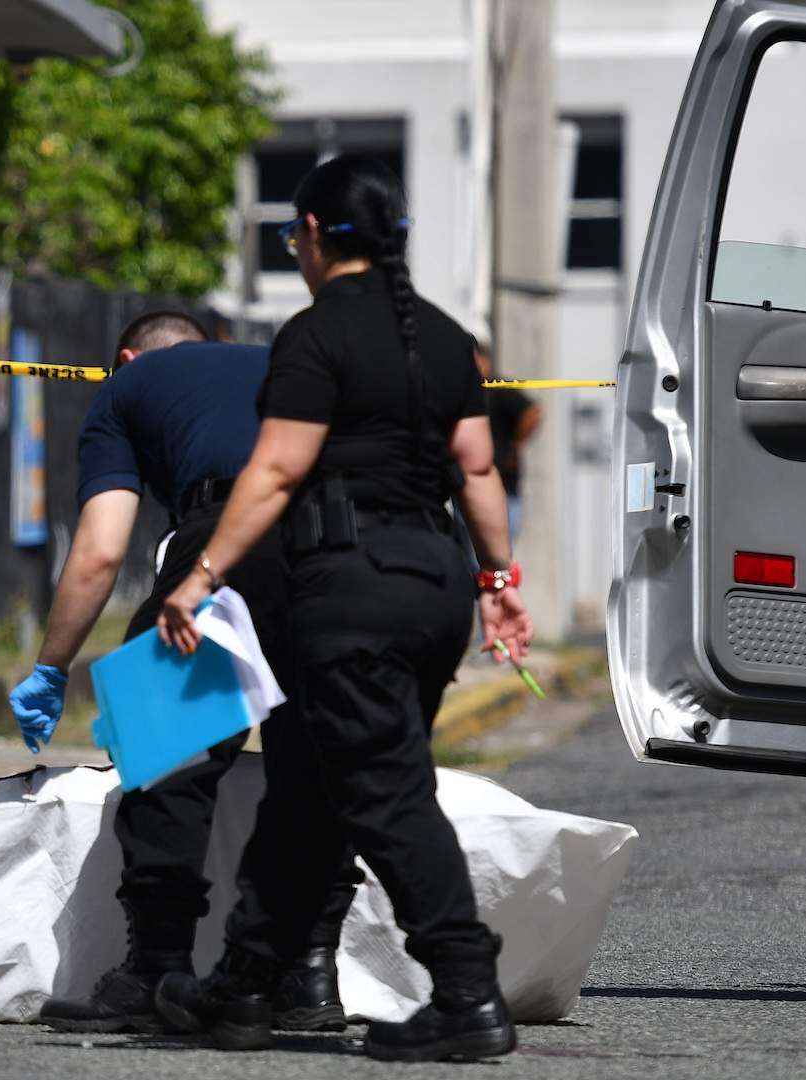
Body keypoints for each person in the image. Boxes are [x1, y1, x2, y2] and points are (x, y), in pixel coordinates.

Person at [153, 155, 533, 1062]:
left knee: (383, 789)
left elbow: (277, 469)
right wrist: (498, 584)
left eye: (294, 238)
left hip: (350, 586)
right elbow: (477, 470)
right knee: (315, 794)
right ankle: (244, 988)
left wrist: (200, 574)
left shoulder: (315, 336)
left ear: (316, 237)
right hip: (433, 581)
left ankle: (467, 992)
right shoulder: (444, 339)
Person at [7, 311, 348, 1035]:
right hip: (345, 545)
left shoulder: (126, 387)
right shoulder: (283, 361)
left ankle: (156, 966)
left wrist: (51, 666)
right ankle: (309, 975)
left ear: (126, 356)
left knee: (166, 746)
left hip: (229, 534)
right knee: (316, 762)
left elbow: (101, 550)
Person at [477, 339, 540, 543]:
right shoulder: (466, 392)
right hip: (475, 490)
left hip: (505, 487)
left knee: (500, 556)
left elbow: (533, 413)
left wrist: (515, 444)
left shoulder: (499, 389)